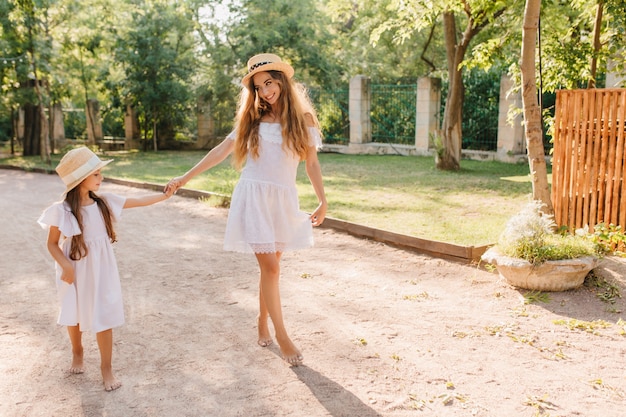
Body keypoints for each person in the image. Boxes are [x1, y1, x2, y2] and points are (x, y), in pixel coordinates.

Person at [166, 53, 327, 366]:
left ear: (282, 80)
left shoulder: (303, 120)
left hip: (281, 201)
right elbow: (220, 151)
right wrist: (184, 178)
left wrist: (323, 200)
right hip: (252, 198)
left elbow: (312, 164)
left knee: (271, 267)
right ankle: (282, 335)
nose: (265, 92)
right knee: (272, 269)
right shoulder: (252, 120)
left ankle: (262, 320)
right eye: (258, 87)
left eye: (269, 83)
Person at [38, 146, 174, 391]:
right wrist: (66, 266)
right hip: (74, 268)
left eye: (100, 173)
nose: (101, 178)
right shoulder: (62, 211)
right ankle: (77, 351)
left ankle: (106, 368)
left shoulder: (105, 203)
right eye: (96, 174)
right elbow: (51, 244)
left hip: (102, 270)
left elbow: (138, 201)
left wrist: (164, 196)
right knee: (74, 312)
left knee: (104, 314)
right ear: (81, 179)